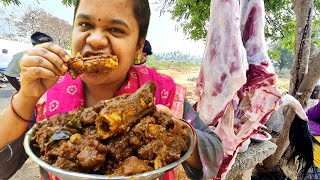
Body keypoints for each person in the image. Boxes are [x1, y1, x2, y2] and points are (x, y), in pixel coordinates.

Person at [0, 0, 223, 180]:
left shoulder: (162, 92)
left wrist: (178, 134)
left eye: (116, 29)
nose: (95, 40)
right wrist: (26, 98)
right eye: (85, 25)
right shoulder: (47, 94)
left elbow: (214, 152)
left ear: (138, 46)